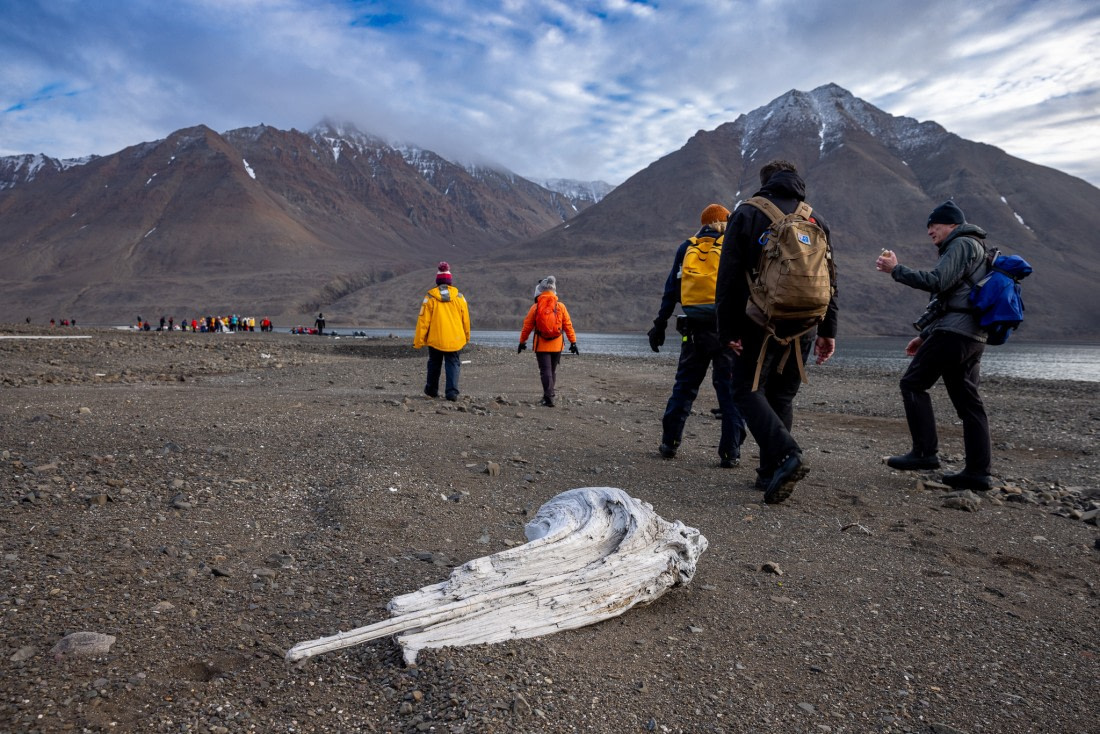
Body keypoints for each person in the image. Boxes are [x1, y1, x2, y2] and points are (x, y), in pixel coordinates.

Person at [715, 160, 838, 504]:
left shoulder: (748, 213)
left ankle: (786, 454)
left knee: (744, 390)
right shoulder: (815, 219)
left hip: (761, 322)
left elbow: (728, 277)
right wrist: (829, 331)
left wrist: (727, 331)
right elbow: (831, 279)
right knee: (781, 396)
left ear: (765, 182)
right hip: (807, 323)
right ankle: (769, 473)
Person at [875, 200, 994, 490]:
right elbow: (953, 297)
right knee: (969, 404)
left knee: (913, 384)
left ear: (952, 224)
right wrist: (926, 334)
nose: (930, 231)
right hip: (970, 335)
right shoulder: (973, 246)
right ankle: (978, 473)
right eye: (928, 225)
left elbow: (937, 282)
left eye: (935, 224)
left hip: (954, 334)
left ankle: (925, 454)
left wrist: (895, 269)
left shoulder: (962, 244)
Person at [648, 203, 745, 468]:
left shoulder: (686, 248)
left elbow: (672, 290)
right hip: (728, 331)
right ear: (726, 222)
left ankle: (670, 443)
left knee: (684, 387)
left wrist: (660, 324)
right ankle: (730, 453)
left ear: (703, 223)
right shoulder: (732, 245)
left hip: (693, 331)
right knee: (729, 392)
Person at [413, 262, 471, 401]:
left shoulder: (430, 298)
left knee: (434, 363)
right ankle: (451, 392)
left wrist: (419, 341)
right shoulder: (460, 298)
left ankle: (432, 390)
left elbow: (423, 321)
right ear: (450, 281)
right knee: (453, 363)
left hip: (435, 338)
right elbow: (466, 320)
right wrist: (466, 336)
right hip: (455, 339)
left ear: (437, 281)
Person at [518, 276, 578, 407]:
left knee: (545, 371)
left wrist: (522, 342)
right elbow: (568, 325)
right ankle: (548, 395)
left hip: (541, 345)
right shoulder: (560, 306)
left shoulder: (535, 307)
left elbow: (527, 326)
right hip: (557, 344)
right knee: (552, 371)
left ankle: (549, 397)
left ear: (540, 290)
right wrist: (573, 342)